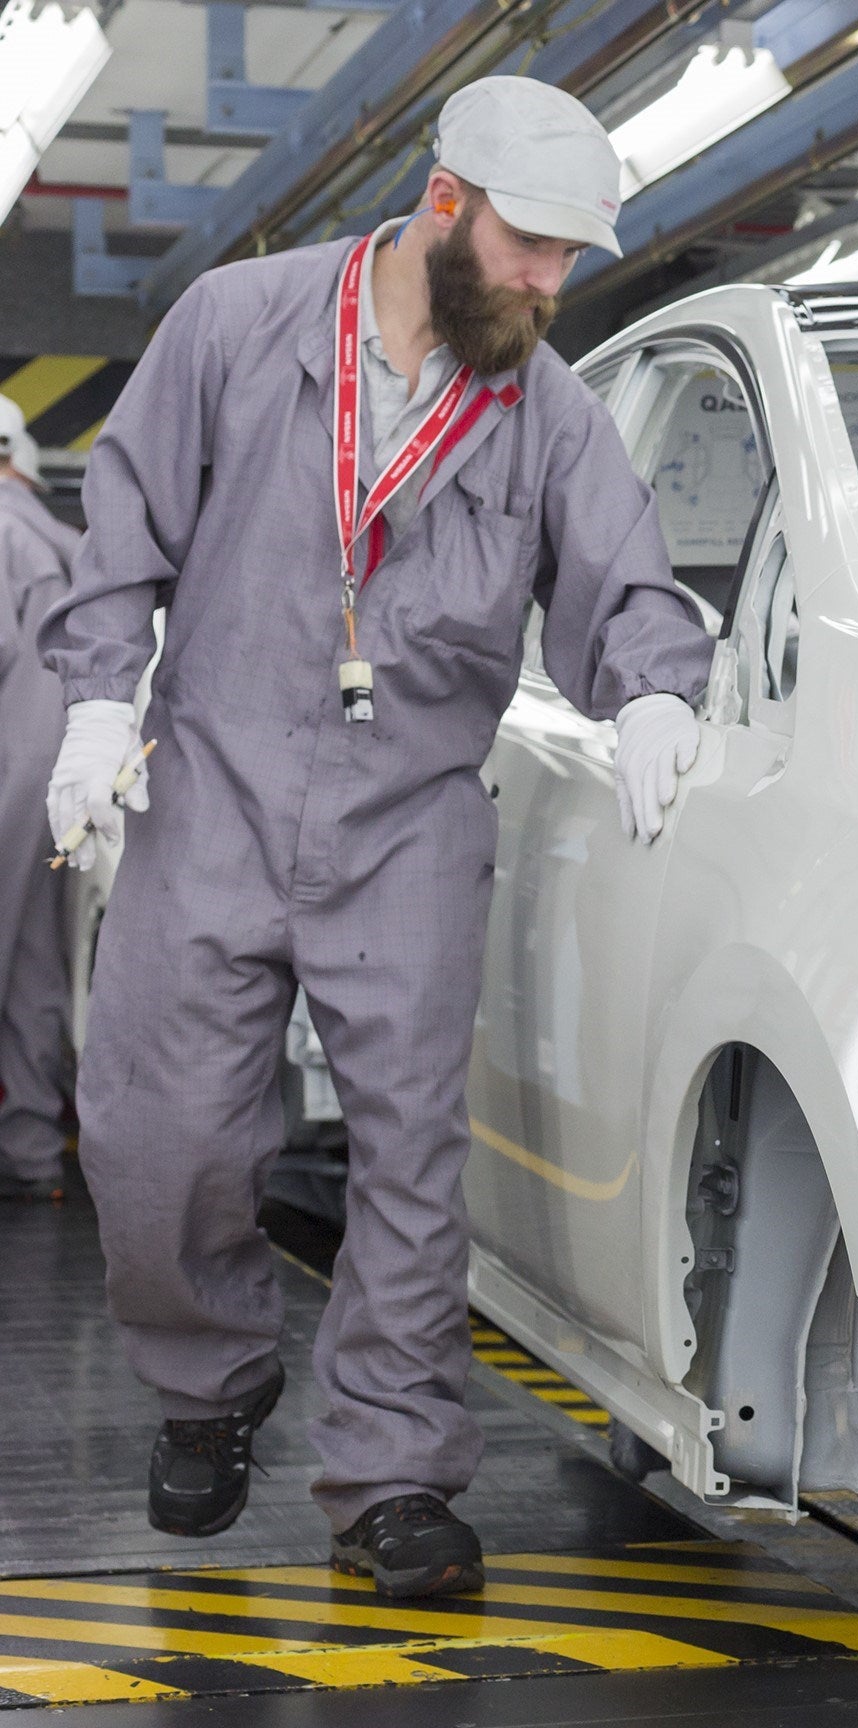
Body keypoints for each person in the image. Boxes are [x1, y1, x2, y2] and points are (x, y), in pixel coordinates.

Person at [40, 76, 714, 1600]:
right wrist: (97, 707)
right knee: (158, 1135)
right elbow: (125, 527)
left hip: (409, 820)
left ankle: (392, 1477)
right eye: (532, 247)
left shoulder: (549, 411)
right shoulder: (236, 324)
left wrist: (660, 694)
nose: (551, 285)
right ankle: (209, 1384)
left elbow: (622, 582)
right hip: (214, 784)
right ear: (442, 201)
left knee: (412, 1164)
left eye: (568, 259)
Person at [0, 397, 76, 1205]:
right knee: (29, 964)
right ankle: (28, 1152)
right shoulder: (55, 538)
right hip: (52, 779)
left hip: (6, 774)